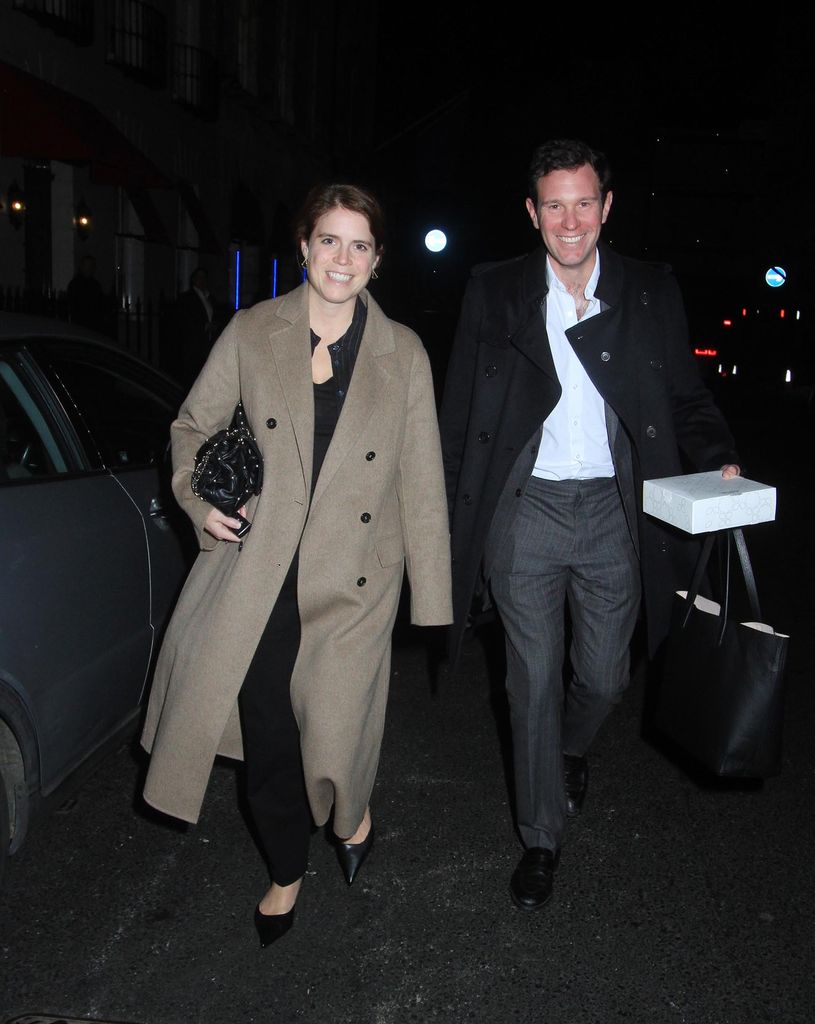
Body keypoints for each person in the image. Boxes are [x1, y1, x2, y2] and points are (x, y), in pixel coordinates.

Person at [141, 183, 452, 946]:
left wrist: (435, 604)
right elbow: (191, 425)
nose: (342, 259)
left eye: (360, 245)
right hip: (260, 570)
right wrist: (195, 498)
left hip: (354, 579)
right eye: (329, 241)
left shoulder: (401, 351)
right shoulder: (254, 332)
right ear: (305, 247)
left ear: (377, 260)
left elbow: (422, 478)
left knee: (336, 729)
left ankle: (353, 810)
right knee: (269, 731)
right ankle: (286, 867)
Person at [439, 139, 740, 911]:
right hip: (525, 507)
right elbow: (460, 412)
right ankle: (541, 837)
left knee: (606, 676)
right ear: (532, 213)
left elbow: (685, 396)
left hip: (614, 506)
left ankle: (569, 748)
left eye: (584, 203)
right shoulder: (496, 291)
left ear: (605, 207)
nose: (569, 221)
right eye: (553, 205)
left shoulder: (648, 291)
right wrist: (440, 511)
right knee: (530, 679)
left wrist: (719, 456)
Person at [168, 267, 216, 388]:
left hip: (206, 343)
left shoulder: (209, 297)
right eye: (199, 277)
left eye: (204, 277)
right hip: (193, 346)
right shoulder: (187, 298)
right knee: (192, 376)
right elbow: (185, 321)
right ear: (194, 280)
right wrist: (204, 326)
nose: (202, 280)